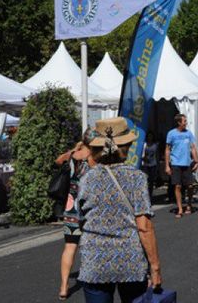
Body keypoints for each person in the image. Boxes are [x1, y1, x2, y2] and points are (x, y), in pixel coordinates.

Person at [78, 117, 162, 303]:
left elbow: (81, 217)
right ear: (127, 145)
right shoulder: (137, 178)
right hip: (129, 260)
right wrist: (155, 267)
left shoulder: (86, 179)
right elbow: (144, 227)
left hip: (95, 259)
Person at [57, 129, 97, 301]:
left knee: (70, 246)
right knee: (93, 243)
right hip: (90, 206)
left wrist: (70, 153)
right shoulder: (94, 156)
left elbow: (58, 161)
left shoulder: (73, 154)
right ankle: (94, 279)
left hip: (71, 206)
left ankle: (64, 286)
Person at [165, 114, 198, 219]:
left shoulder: (189, 133)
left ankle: (189, 204)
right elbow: (167, 149)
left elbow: (193, 147)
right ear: (179, 122)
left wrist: (196, 161)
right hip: (175, 163)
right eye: (184, 121)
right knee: (178, 186)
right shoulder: (171, 133)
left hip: (187, 163)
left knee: (190, 186)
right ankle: (180, 208)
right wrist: (167, 165)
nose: (186, 123)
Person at [141, 132, 159, 200]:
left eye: (151, 136)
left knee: (151, 181)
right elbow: (141, 154)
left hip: (153, 164)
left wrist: (158, 165)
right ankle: (145, 196)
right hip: (145, 164)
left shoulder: (155, 145)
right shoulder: (144, 144)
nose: (150, 138)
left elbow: (157, 155)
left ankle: (150, 196)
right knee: (146, 181)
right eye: (148, 136)